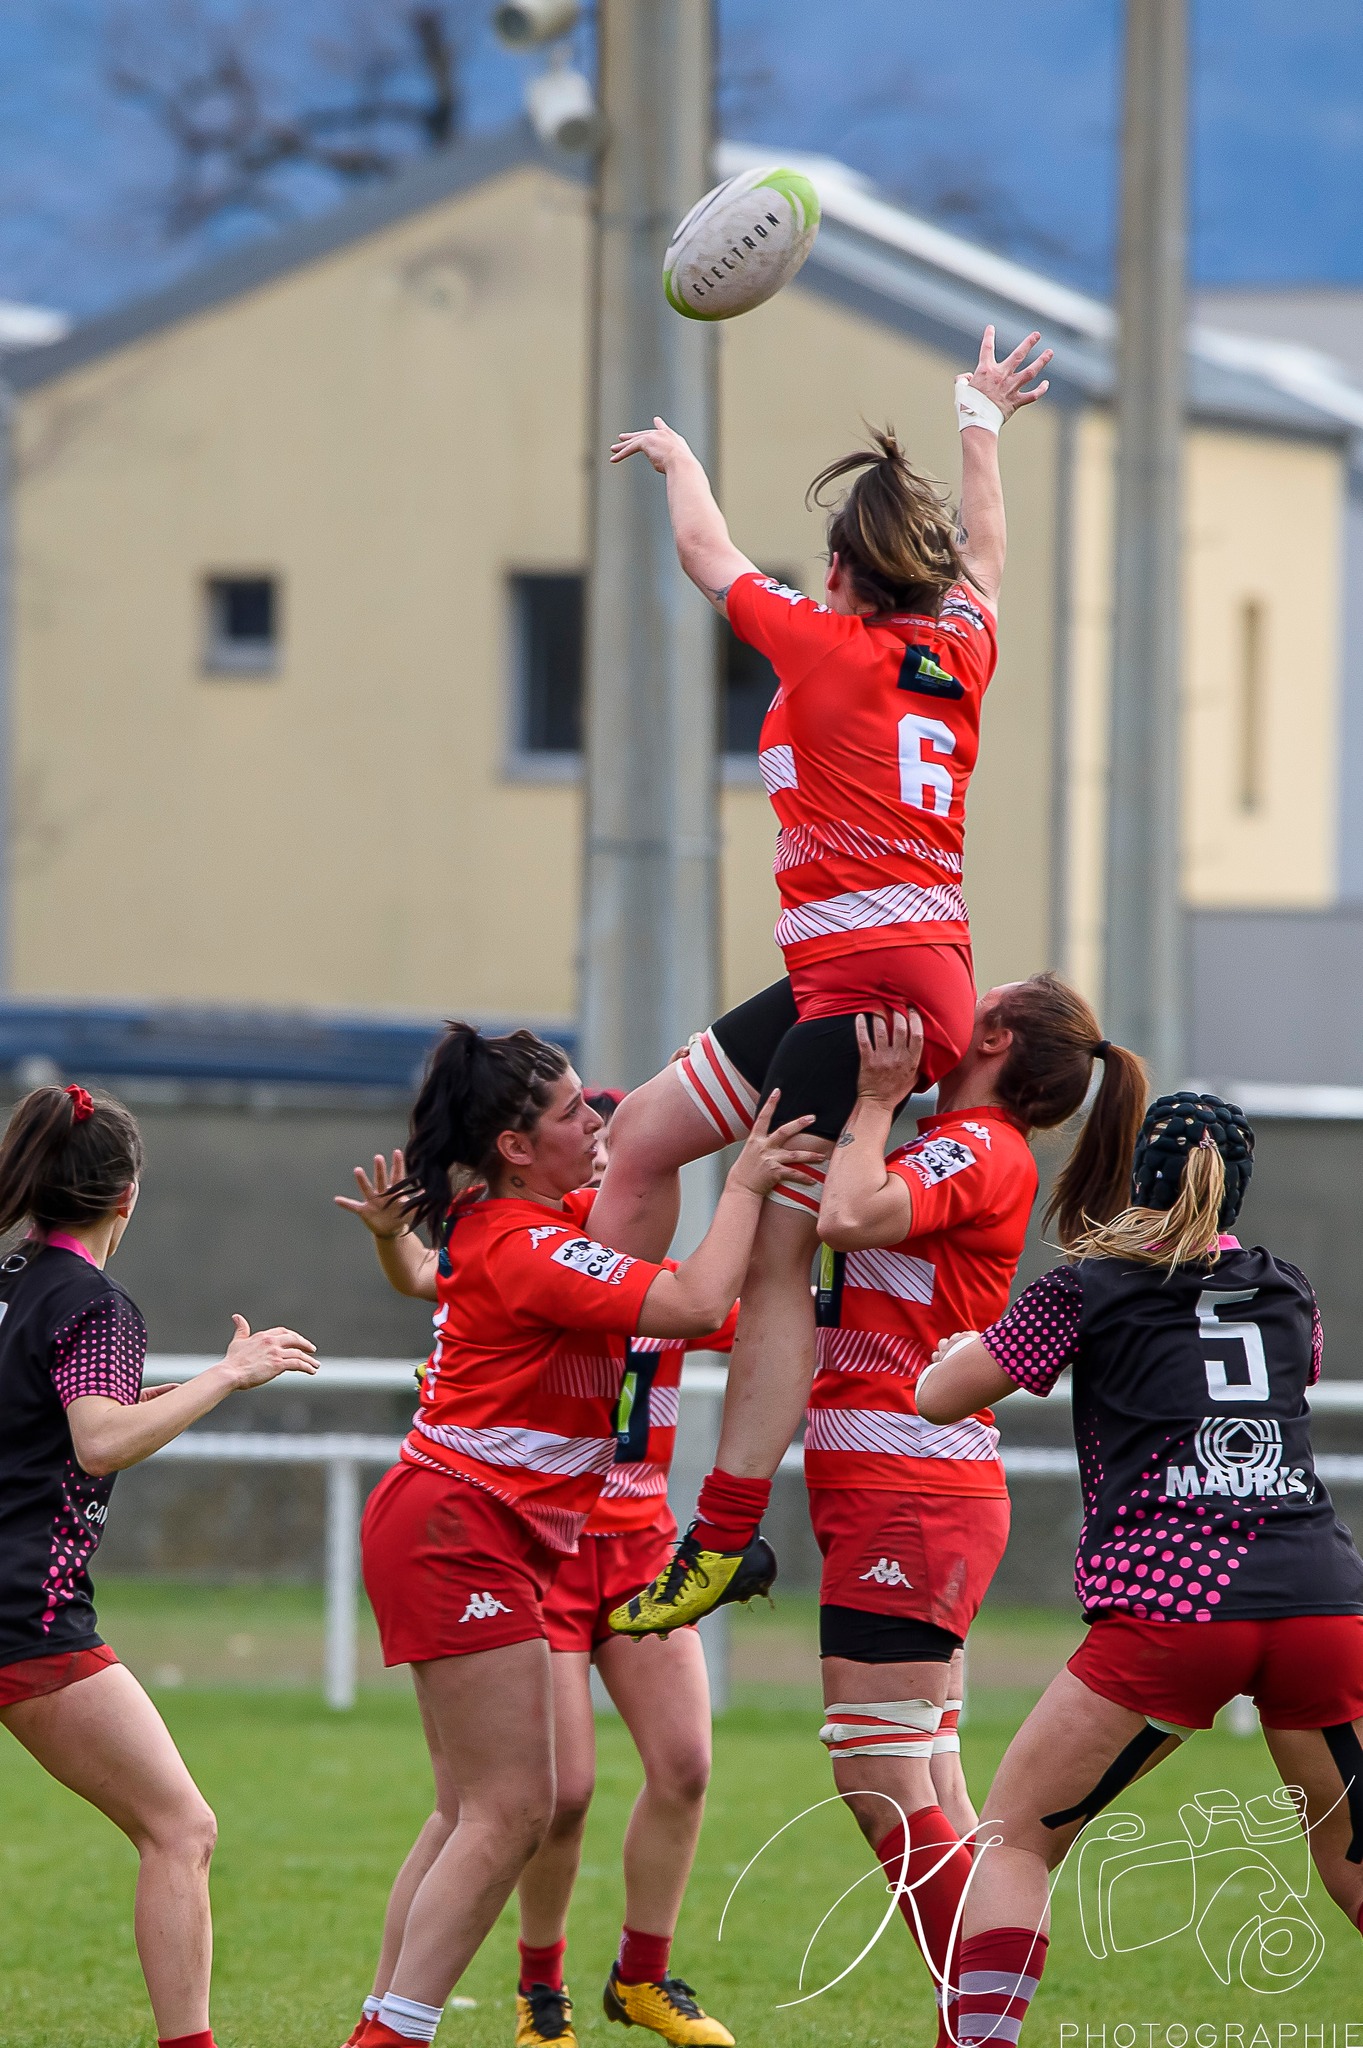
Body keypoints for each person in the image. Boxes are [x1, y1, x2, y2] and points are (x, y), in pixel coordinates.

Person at [596, 325, 1054, 1635]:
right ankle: (588, 1396)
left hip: (869, 995)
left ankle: (719, 1533)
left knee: (772, 1259)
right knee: (643, 1135)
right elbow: (987, 555)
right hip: (866, 976)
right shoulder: (955, 648)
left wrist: (679, 459)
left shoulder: (825, 645)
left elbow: (704, 553)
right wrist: (977, 418)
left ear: (845, 574)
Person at [330, 1024, 817, 2048]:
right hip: (460, 1526)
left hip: (492, 1529)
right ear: (514, 1147)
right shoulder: (527, 1242)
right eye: (569, 1111)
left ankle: (393, 2020)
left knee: (480, 1808)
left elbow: (698, 1282)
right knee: (519, 1807)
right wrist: (743, 1181)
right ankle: (427, 2023)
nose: (595, 1121)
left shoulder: (541, 1226)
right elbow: (694, 1297)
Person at [915, 1092, 1363, 2044]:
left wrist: (958, 1350)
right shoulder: (1287, 1291)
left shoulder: (1084, 1287)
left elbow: (937, 1398)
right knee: (1352, 1861)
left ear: (1138, 1181)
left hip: (1178, 1607)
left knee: (1014, 1843)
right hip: (1320, 1601)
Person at [790, 978, 1141, 2045]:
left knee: (877, 1775)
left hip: (909, 1490)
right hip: (900, 1487)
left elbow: (847, 1216)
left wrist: (872, 1099)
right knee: (926, 1773)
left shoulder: (978, 1145)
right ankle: (980, 2016)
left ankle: (980, 2023)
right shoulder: (953, 1144)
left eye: (969, 1003)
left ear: (989, 1037)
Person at [0, 1081, 318, 2048]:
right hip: (26, 1620)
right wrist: (227, 1374)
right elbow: (97, 1440)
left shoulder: (10, 1283)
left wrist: (180, 1391)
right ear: (126, 1196)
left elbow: (43, 1414)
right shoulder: (94, 1303)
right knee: (180, 1829)